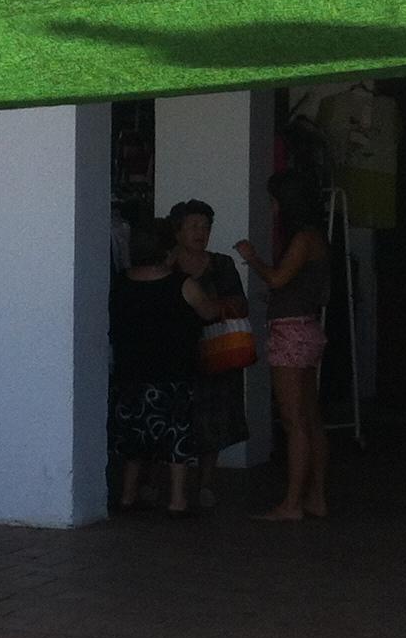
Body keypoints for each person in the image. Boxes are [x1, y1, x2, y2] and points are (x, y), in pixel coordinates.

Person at [110, 220, 223, 516]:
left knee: (133, 438)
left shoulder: (120, 282)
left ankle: (127, 494)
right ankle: (177, 500)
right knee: (176, 437)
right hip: (174, 373)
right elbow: (209, 312)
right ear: (166, 249)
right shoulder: (181, 284)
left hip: (131, 372)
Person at [238, 170, 332, 521]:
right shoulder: (316, 237)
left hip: (289, 333)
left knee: (293, 421)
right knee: (310, 418)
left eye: (276, 202)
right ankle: (315, 497)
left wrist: (252, 257)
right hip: (307, 327)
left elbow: (278, 277)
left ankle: (291, 503)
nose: (274, 209)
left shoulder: (301, 239)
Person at [167, 198, 250, 500]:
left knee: (213, 416)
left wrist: (213, 306)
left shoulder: (222, 264)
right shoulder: (166, 264)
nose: (201, 232)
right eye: (193, 226)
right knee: (176, 415)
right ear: (177, 231)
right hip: (178, 351)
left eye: (206, 226)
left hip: (216, 351)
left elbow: (241, 302)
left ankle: (205, 483)